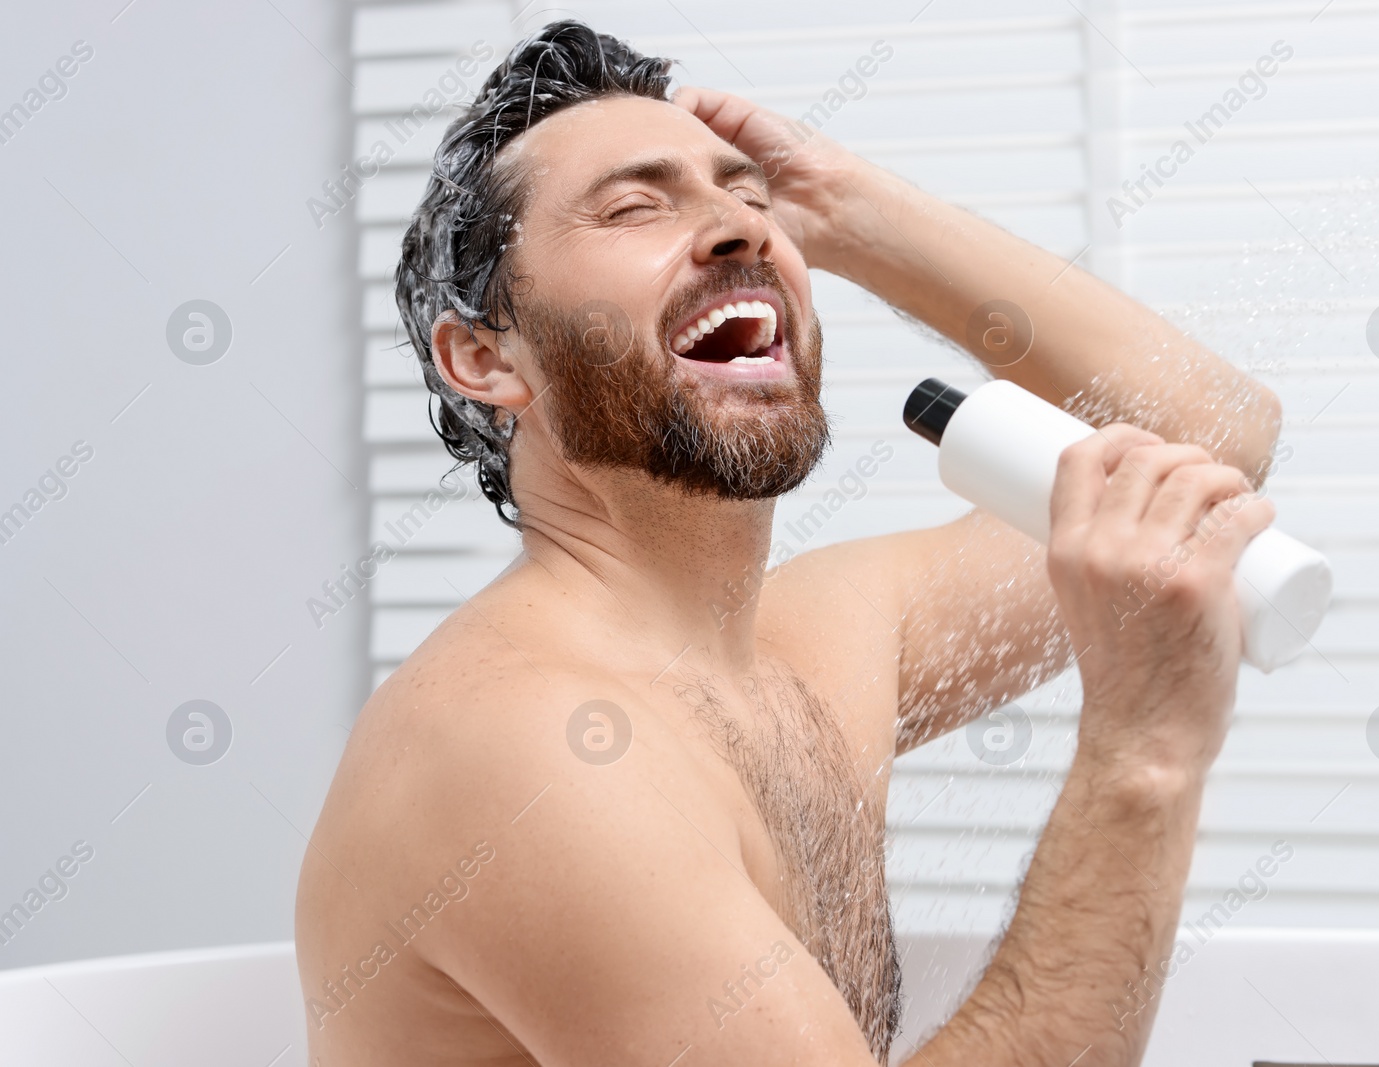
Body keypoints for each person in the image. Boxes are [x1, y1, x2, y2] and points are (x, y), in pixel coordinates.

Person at [295, 19, 1282, 1067]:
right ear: (484, 358)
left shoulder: (823, 639)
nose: (737, 229)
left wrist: (854, 217)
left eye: (749, 198)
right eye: (634, 206)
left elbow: (1208, 441)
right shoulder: (520, 749)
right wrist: (1144, 751)